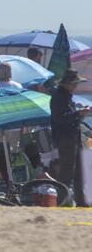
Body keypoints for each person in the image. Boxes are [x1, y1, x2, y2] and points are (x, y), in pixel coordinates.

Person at [50, 69, 90, 206]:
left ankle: (81, 201)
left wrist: (80, 114)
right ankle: (61, 201)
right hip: (65, 138)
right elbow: (60, 118)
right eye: (75, 84)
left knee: (80, 171)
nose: (76, 87)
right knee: (67, 172)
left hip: (73, 137)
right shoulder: (59, 97)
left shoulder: (65, 96)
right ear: (68, 83)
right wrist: (79, 113)